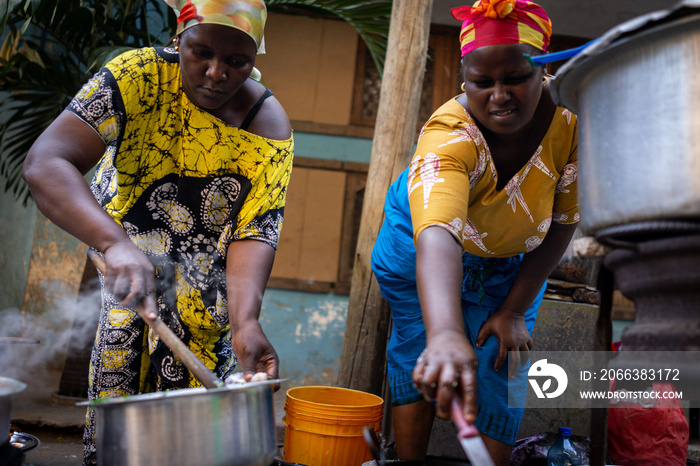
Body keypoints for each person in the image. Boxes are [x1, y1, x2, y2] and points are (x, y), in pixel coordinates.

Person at [21, 0, 293, 464]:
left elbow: (255, 230)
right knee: (117, 398)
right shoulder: (136, 78)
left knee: (200, 434)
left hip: (207, 280)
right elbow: (46, 162)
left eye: (235, 62)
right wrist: (114, 243)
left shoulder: (267, 127)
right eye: (200, 52)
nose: (214, 73)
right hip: (126, 252)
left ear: (253, 60)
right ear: (178, 38)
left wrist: (246, 320)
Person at [370, 0, 578, 464]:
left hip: (512, 260)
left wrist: (512, 310)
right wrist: (444, 331)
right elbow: (438, 233)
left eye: (516, 79)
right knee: (422, 350)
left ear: (543, 70)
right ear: (466, 79)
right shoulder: (448, 135)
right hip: (421, 247)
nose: (499, 95)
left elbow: (563, 224)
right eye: (482, 83)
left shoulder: (570, 125)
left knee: (500, 363)